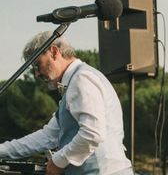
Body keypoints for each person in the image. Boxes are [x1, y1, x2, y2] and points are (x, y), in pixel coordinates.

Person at [0, 32, 133, 175]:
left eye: (37, 65)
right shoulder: (74, 83)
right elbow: (48, 136)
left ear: (54, 52)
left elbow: (92, 134)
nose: (37, 74)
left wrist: (58, 161)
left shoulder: (81, 79)